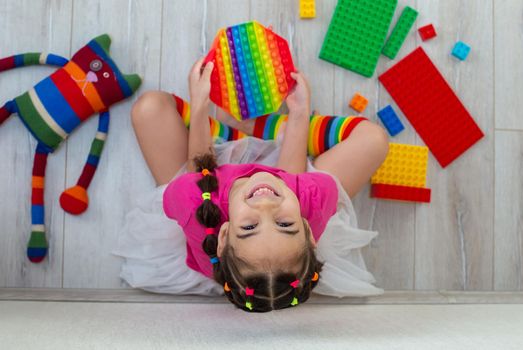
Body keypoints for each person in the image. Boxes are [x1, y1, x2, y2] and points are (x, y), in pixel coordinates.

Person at [113, 57, 389, 312]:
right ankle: (255, 129)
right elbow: (288, 179)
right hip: (275, 187)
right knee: (374, 139)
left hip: (205, 182)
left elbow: (200, 169)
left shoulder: (191, 202)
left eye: (249, 226)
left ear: (223, 237)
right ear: (308, 230)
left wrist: (199, 105)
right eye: (284, 224)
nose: (265, 204)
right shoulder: (316, 198)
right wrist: (299, 113)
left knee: (148, 108)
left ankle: (230, 130)